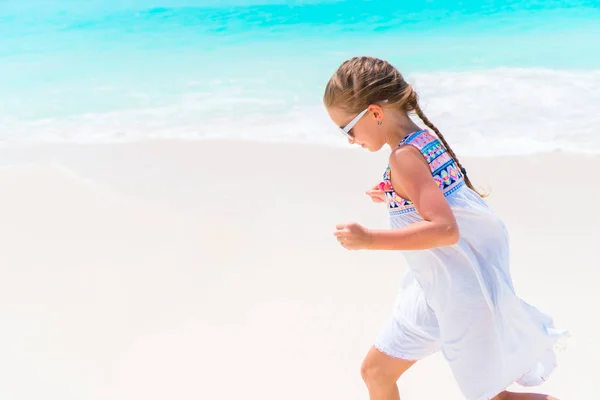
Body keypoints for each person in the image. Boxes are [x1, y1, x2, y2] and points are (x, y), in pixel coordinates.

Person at [324, 56, 567, 400]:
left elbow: (445, 229)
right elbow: (443, 193)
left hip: (460, 295)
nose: (349, 140)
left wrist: (369, 239)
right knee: (376, 372)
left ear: (376, 113)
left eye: (347, 129)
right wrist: (395, 194)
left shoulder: (403, 157)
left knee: (492, 397)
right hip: (433, 291)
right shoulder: (421, 140)